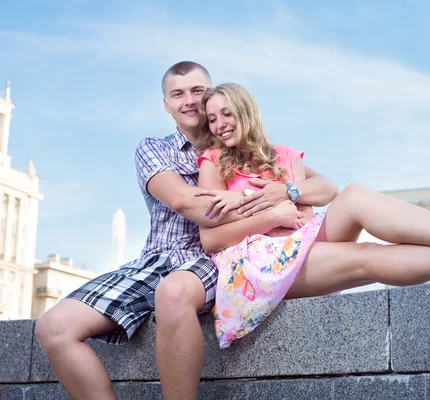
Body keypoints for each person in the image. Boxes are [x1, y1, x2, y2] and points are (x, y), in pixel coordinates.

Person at [194, 83, 430, 349]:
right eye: (212, 119)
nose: (220, 124)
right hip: (254, 267)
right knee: (368, 256)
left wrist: (287, 195)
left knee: (356, 195)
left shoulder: (284, 156)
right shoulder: (213, 162)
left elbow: (307, 209)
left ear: (246, 111)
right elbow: (212, 238)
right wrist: (273, 210)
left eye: (226, 113)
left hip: (299, 242)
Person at [34, 63, 338, 400]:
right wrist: (267, 199)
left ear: (211, 96)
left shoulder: (247, 148)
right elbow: (186, 201)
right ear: (166, 104)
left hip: (213, 258)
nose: (189, 100)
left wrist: (289, 192)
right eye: (177, 94)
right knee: (53, 328)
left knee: (174, 293)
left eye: (197, 91)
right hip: (156, 260)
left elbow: (323, 186)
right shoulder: (154, 149)